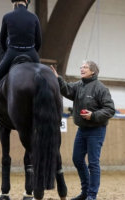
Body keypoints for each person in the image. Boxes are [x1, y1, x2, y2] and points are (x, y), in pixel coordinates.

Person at [50, 61, 115, 200]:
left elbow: (110, 109)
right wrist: (58, 78)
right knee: (77, 159)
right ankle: (85, 192)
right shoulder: (79, 85)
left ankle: (92, 195)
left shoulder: (101, 88)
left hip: (96, 130)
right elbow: (67, 89)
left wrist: (93, 115)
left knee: (93, 163)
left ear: (93, 71)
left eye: (85, 67)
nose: (82, 69)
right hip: (82, 130)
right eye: (81, 67)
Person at [0, 0, 42, 131]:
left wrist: (9, 52)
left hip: (12, 52)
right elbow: (39, 41)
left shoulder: (7, 17)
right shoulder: (34, 17)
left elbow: (2, 39)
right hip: (32, 53)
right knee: (44, 81)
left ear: (14, 2)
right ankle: (53, 117)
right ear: (26, 2)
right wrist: (32, 52)